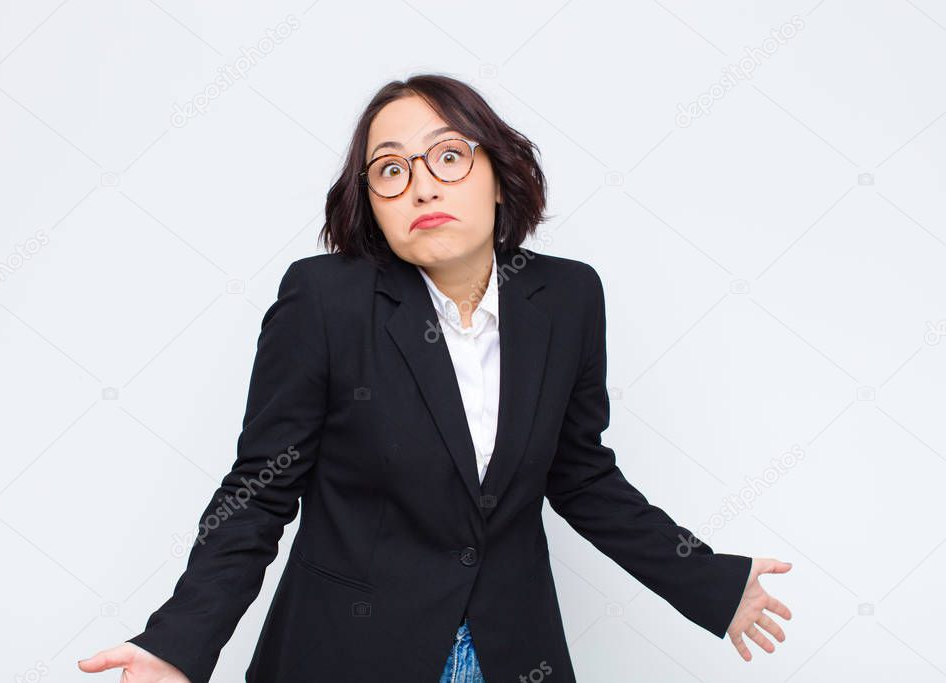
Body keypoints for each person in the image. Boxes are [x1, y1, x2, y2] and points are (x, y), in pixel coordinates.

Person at [78, 74, 792, 683]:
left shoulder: (568, 298)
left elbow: (581, 476)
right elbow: (260, 490)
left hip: (511, 648)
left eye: (448, 156)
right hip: (347, 651)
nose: (421, 186)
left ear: (499, 172)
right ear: (371, 203)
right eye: (392, 170)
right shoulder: (326, 299)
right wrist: (178, 642)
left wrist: (709, 581)